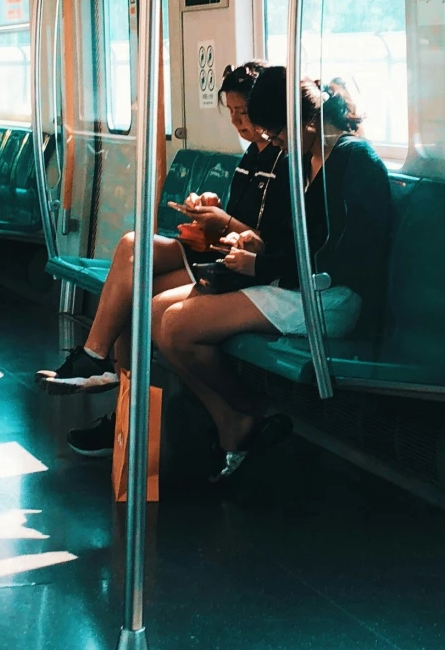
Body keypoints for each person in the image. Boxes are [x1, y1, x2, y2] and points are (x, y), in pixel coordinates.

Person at [148, 70, 393, 481]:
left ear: (307, 124)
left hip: (333, 298)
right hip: (296, 285)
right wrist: (256, 246)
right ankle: (231, 417)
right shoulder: (307, 157)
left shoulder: (356, 164)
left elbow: (347, 260)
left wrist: (263, 266)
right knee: (158, 313)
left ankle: (242, 414)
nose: (277, 145)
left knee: (177, 326)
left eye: (278, 136)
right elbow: (293, 241)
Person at [43, 61, 277, 414]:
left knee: (133, 291)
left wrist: (223, 222)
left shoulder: (282, 158)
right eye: (231, 113)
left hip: (239, 264)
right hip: (215, 249)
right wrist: (210, 207)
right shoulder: (251, 156)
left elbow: (265, 240)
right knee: (131, 246)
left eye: (244, 112)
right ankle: (113, 390)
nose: (238, 122)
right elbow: (238, 218)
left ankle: (118, 399)